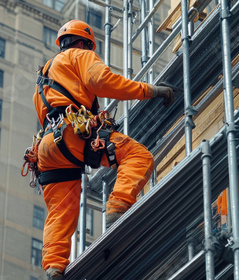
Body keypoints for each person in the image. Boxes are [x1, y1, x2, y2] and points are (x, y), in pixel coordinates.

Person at [32, 19, 174, 280]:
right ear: (85, 42)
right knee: (138, 156)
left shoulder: (44, 78)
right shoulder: (80, 56)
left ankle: (53, 266)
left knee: (60, 211)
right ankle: (117, 207)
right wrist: (151, 90)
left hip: (47, 149)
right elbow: (102, 81)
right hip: (74, 133)